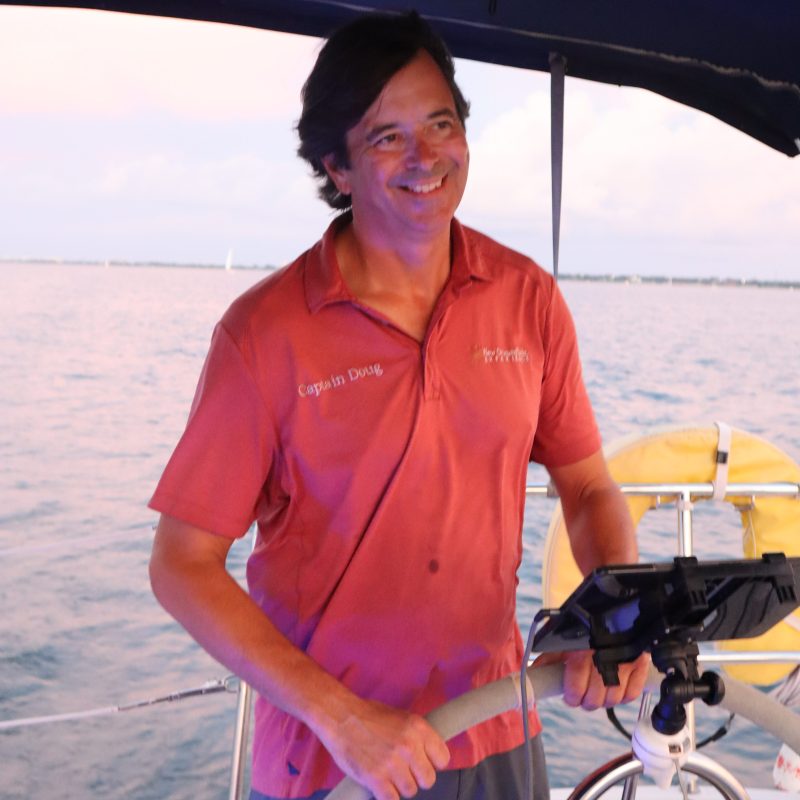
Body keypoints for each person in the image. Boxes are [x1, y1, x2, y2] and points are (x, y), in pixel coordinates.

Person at [148, 11, 648, 800]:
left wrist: (618, 618)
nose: (425, 157)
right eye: (386, 137)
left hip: (496, 730)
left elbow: (587, 488)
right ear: (336, 169)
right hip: (333, 756)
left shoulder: (529, 300)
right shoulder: (263, 335)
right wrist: (342, 718)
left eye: (440, 124)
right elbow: (182, 564)